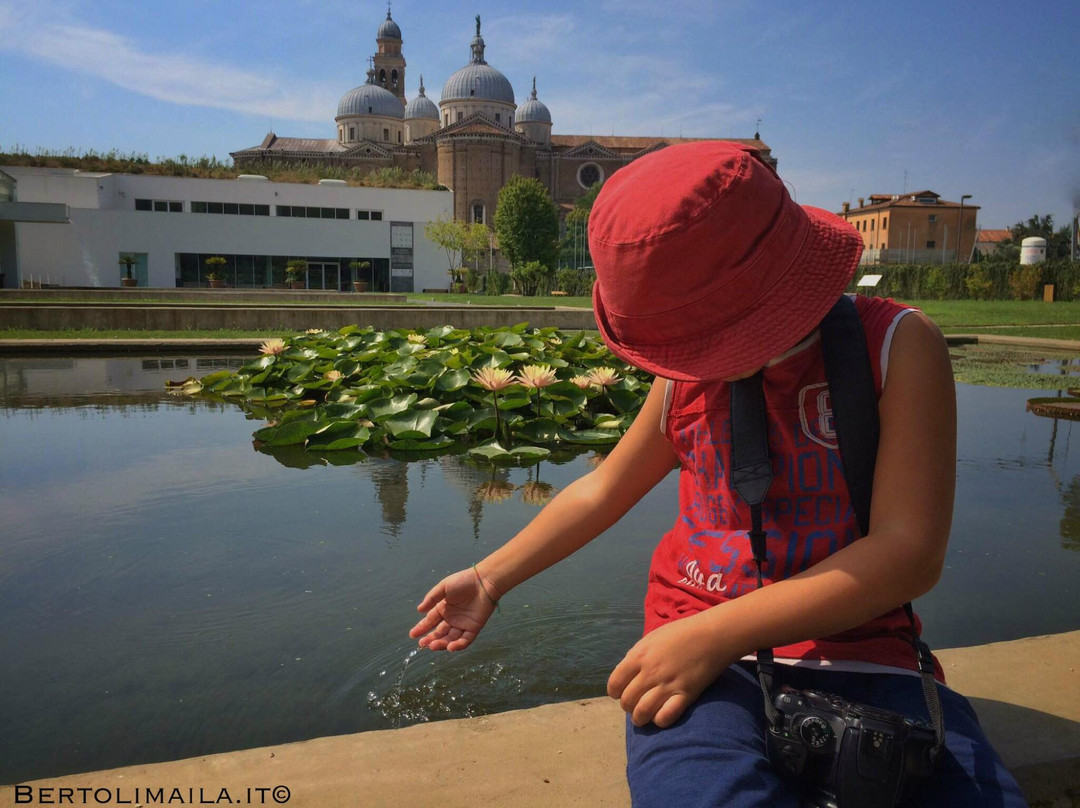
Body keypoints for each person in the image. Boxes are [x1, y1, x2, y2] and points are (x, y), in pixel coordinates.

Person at [409, 141, 1027, 807]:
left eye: (699, 342)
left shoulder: (897, 347)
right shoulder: (684, 382)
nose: (685, 362)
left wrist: (714, 632)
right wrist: (489, 577)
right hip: (705, 664)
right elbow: (604, 487)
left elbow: (908, 555)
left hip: (862, 651)